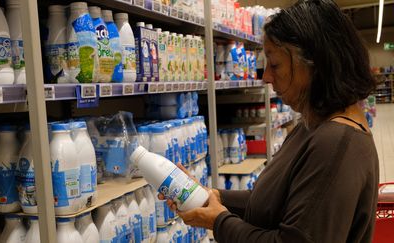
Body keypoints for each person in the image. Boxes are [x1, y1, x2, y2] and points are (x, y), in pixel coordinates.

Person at [159, 0, 379, 242]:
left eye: (274, 65)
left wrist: (218, 221)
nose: (266, 78)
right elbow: (274, 203)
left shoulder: (337, 143)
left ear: (315, 64)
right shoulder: (313, 125)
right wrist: (210, 196)